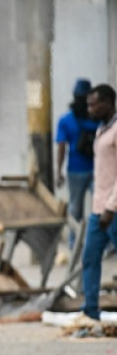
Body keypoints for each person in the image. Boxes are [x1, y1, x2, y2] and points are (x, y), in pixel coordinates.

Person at [76, 84, 117, 327]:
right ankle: (90, 309)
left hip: (113, 209)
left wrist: (111, 207)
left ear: (109, 102)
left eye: (94, 104)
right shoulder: (103, 129)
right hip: (98, 209)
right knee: (90, 258)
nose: (90, 109)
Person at [56, 78, 99, 247]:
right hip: (86, 170)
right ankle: (78, 242)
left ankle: (76, 243)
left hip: (83, 170)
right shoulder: (97, 118)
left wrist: (58, 171)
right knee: (87, 208)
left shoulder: (66, 120)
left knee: (79, 209)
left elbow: (61, 147)